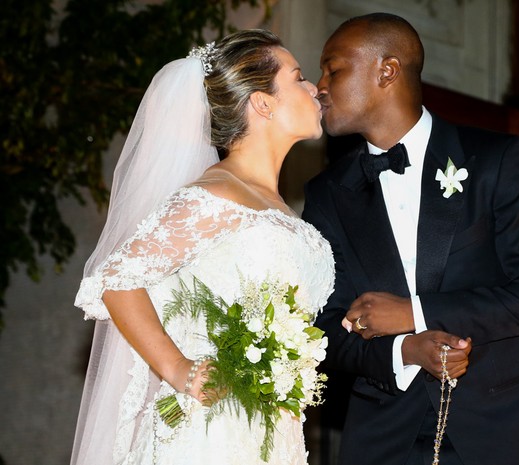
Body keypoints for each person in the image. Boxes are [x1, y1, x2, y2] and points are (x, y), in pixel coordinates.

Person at [302, 12, 519, 465]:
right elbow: (325, 329)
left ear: (386, 70)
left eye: (333, 68)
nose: (319, 85)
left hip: (501, 431)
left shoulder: (497, 160)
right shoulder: (327, 194)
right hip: (384, 438)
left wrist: (414, 313)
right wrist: (405, 348)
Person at [71, 29, 334, 465]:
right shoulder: (216, 194)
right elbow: (116, 281)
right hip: (210, 434)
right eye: (299, 77)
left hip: (272, 435)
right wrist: (178, 368)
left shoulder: (281, 208)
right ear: (262, 102)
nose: (314, 89)